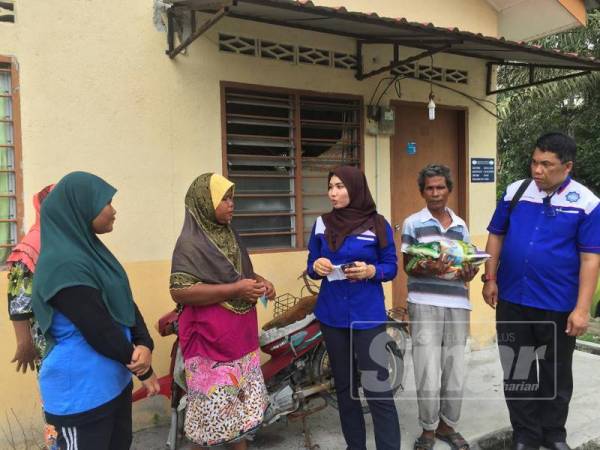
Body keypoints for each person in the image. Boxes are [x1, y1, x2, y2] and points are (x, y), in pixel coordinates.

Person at [482, 132, 600, 450]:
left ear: (568, 166)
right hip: (513, 299)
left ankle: (553, 433)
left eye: (546, 165)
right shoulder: (515, 192)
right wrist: (490, 278)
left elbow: (591, 258)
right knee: (518, 370)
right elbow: (496, 235)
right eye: (535, 162)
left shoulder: (586, 203)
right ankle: (526, 434)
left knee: (555, 373)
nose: (537, 170)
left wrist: (581, 309)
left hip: (558, 304)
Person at [31, 171, 160, 450]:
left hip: (113, 383)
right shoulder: (62, 263)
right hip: (79, 397)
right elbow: (98, 327)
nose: (113, 211)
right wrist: (143, 368)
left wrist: (144, 343)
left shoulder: (91, 253)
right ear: (81, 206)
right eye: (106, 202)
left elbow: (123, 301)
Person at [169, 172, 275, 450]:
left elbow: (238, 274)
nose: (232, 204)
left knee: (237, 418)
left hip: (240, 338)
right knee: (210, 419)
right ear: (205, 202)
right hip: (210, 344)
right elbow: (180, 291)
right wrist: (235, 290)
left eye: (232, 198)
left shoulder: (228, 234)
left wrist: (260, 281)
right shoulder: (190, 244)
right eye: (224, 199)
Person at [307, 165, 401, 450]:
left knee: (377, 389)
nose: (333, 193)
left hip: (367, 316)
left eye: (339, 186)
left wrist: (372, 270)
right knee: (346, 390)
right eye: (330, 187)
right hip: (332, 315)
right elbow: (311, 264)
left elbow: (391, 266)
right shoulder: (322, 224)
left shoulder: (377, 223)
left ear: (355, 188)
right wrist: (316, 266)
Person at [400, 164, 478, 450]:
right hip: (424, 303)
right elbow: (407, 265)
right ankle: (428, 429)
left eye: (440, 187)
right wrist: (429, 267)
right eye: (430, 188)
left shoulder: (460, 225)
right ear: (422, 191)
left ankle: (448, 425)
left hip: (458, 302)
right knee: (427, 367)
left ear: (449, 190)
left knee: (456, 366)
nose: (435, 193)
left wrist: (470, 272)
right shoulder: (412, 223)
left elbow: (466, 262)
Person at [6, 184, 58, 448]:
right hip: (48, 341)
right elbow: (18, 299)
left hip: (76, 339)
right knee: (57, 406)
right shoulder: (33, 243)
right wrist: (24, 343)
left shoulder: (67, 239)